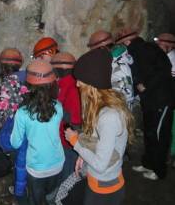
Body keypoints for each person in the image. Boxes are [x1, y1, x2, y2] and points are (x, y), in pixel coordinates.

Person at [65, 48, 134, 205]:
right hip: (98, 181)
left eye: (80, 80)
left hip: (104, 188)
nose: (77, 84)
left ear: (92, 83)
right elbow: (97, 138)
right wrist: (83, 155)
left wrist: (75, 142)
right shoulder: (100, 105)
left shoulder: (109, 116)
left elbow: (100, 165)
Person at [115, 28, 173, 180]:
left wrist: (145, 85)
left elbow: (165, 69)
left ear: (127, 42)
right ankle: (148, 163)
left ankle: (159, 171)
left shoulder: (145, 49)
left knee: (160, 135)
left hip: (161, 99)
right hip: (150, 100)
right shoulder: (138, 50)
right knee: (150, 133)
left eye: (123, 43)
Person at [10, 60, 65, 205]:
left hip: (36, 168)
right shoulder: (58, 107)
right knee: (51, 196)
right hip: (58, 163)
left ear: (28, 85)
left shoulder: (22, 113)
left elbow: (15, 143)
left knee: (36, 199)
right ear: (52, 83)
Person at [0, 48, 29, 201]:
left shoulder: (8, 83)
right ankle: (27, 187)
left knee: (19, 159)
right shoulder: (28, 76)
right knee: (26, 158)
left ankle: (19, 193)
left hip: (15, 126)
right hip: (30, 123)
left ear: (3, 66)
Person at [51, 52, 82, 181]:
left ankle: (63, 197)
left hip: (68, 142)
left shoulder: (72, 88)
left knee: (67, 173)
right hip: (63, 138)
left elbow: (74, 119)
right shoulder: (63, 84)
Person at [87, 30, 134, 110]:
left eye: (92, 48)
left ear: (101, 47)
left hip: (116, 116)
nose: (91, 52)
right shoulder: (108, 62)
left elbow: (123, 98)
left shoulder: (118, 67)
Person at [154, 33, 175, 167]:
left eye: (159, 42)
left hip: (169, 100)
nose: (156, 44)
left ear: (168, 45)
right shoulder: (164, 57)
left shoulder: (172, 60)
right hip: (165, 99)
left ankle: (167, 159)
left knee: (168, 131)